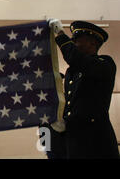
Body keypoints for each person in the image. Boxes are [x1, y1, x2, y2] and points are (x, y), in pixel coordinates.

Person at [48, 19, 119, 159]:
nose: (73, 43)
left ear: (92, 43)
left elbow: (75, 58)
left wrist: (61, 35)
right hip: (74, 140)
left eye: (77, 40)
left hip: (96, 141)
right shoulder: (71, 71)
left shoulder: (105, 64)